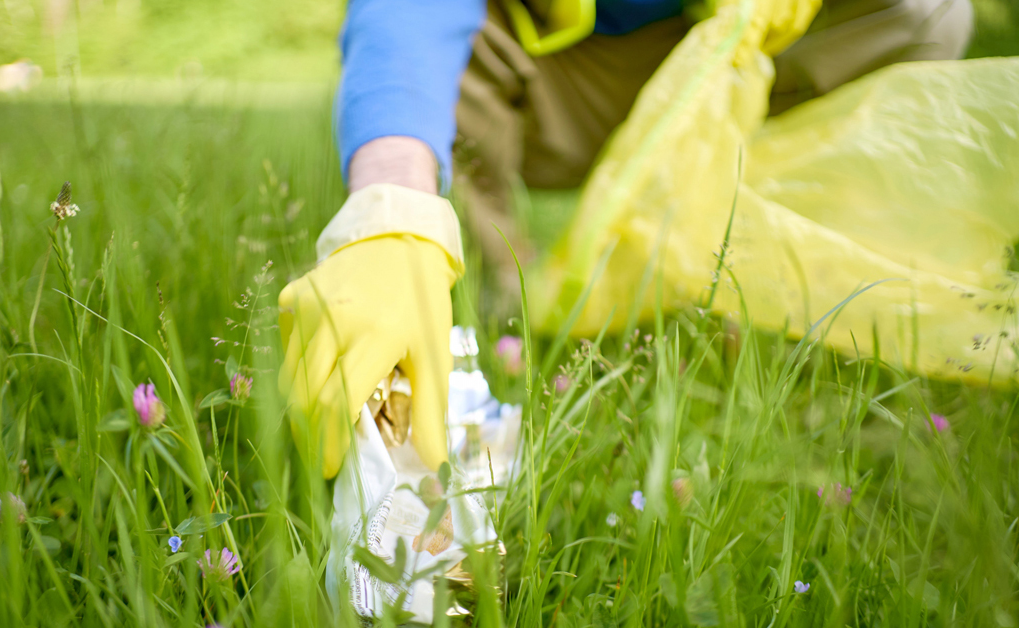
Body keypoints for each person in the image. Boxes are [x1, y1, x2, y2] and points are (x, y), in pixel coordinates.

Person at [278, 0, 973, 477]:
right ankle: (490, 315)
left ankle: (796, 316)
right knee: (429, 82)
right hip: (560, 65)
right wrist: (391, 203)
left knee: (927, 11)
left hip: (752, 51)